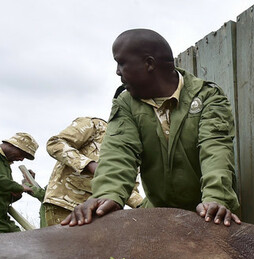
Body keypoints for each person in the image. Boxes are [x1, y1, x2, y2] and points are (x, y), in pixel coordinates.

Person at [63, 28, 241, 227]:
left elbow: (215, 151)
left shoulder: (207, 97)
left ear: (149, 64)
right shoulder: (126, 103)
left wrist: (216, 198)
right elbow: (119, 153)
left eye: (121, 63)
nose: (117, 71)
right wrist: (107, 195)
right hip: (156, 214)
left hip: (205, 213)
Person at [43, 117, 143, 226]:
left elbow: (127, 189)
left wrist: (147, 207)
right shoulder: (95, 126)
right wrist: (89, 165)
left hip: (97, 213)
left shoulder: (134, 152)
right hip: (65, 204)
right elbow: (56, 144)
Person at [0, 133, 39, 233]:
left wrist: (22, 188)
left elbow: (5, 196)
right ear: (13, 145)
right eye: (22, 154)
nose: (21, 159)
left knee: (24, 241)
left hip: (3, 220)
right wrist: (20, 187)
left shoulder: (5, 164)